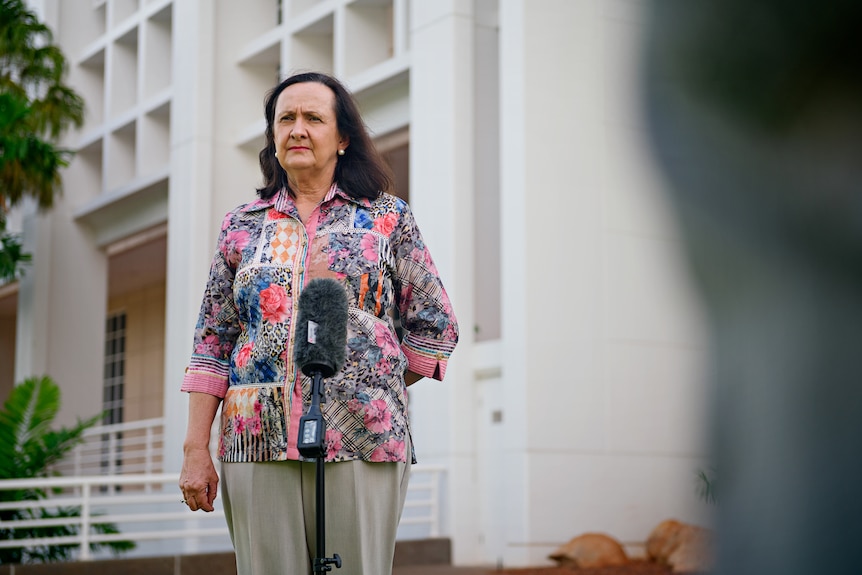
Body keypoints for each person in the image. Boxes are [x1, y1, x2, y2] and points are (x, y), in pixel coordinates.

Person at [178, 71, 459, 575]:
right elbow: (212, 344)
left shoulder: (387, 219)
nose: (298, 129)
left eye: (313, 118)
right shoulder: (241, 225)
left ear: (343, 137)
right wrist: (195, 448)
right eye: (285, 118)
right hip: (255, 440)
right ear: (273, 136)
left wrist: (373, 384)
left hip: (363, 442)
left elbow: (435, 326)